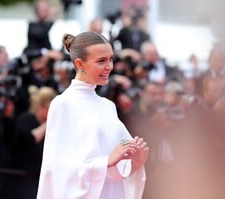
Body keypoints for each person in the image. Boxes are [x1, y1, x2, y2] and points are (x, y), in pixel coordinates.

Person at [37, 31, 149, 199]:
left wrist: (135, 162)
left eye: (111, 59)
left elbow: (114, 172)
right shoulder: (62, 104)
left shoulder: (108, 106)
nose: (109, 66)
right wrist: (106, 162)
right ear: (79, 64)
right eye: (101, 61)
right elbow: (58, 171)